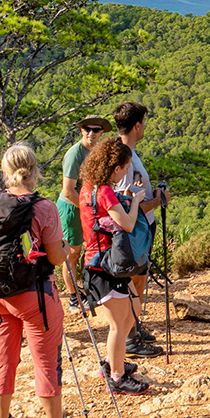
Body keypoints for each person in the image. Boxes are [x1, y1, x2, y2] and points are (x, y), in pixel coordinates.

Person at [0, 143, 100, 418]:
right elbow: (58, 258)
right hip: (34, 294)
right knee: (46, 361)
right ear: (35, 172)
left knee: (3, 358)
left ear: (4, 173)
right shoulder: (43, 207)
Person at [78, 135, 151, 395]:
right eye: (124, 168)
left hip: (99, 262)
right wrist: (136, 201)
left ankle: (113, 361)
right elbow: (127, 224)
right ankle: (117, 377)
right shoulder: (106, 191)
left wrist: (123, 197)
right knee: (119, 325)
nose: (125, 173)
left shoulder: (88, 188)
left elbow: (101, 211)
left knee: (134, 309)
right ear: (115, 168)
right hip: (106, 265)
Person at [113, 101, 167, 358]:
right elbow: (124, 205)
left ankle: (134, 326)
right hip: (135, 232)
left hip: (137, 230)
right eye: (144, 122)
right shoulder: (125, 158)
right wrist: (159, 200)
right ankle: (131, 337)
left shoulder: (125, 153)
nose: (145, 127)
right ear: (137, 126)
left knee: (138, 279)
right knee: (133, 281)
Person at [56, 116, 109, 307]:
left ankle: (90, 290)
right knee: (72, 252)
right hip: (72, 208)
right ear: (81, 130)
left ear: (101, 132)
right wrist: (91, 209)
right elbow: (68, 191)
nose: (91, 133)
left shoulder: (96, 152)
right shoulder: (74, 155)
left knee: (90, 249)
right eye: (87, 129)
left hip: (87, 205)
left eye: (96, 130)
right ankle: (73, 298)